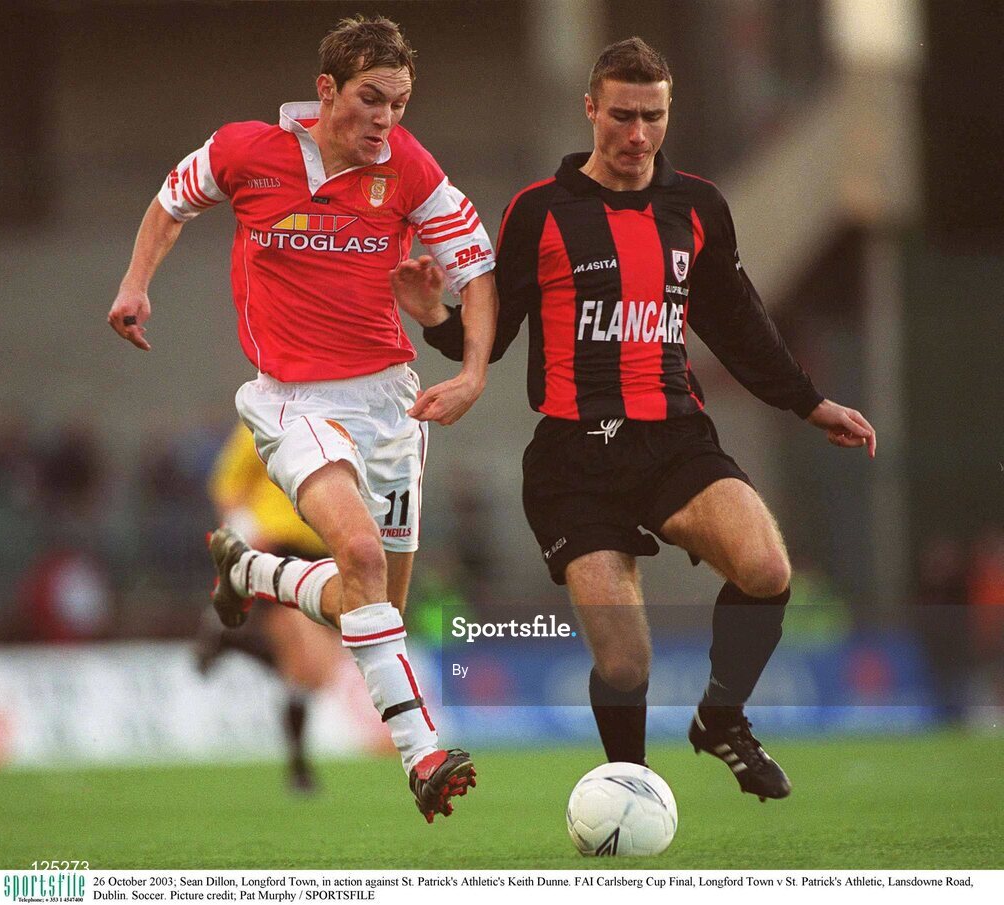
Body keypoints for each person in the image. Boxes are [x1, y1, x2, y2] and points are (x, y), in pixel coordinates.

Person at [399, 37, 876, 801]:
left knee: (767, 570)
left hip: (673, 438)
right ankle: (634, 792)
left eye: (653, 117)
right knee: (624, 662)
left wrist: (809, 402)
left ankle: (722, 718)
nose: (637, 135)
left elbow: (737, 320)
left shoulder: (698, 207)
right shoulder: (538, 211)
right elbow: (497, 325)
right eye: (621, 115)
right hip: (573, 461)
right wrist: (436, 319)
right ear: (590, 109)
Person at [108, 15, 496, 822]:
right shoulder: (246, 152)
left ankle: (254, 573)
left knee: (374, 604)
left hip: (390, 399)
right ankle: (422, 753)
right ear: (326, 91)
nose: (386, 118)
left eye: (399, 102)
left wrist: (472, 371)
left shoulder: (410, 167)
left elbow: (477, 265)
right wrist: (135, 283)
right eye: (371, 99)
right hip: (293, 398)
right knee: (354, 550)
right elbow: (170, 202)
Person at [199, 422, 347, 794]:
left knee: (315, 672)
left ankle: (232, 642)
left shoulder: (340, 419)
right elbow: (227, 485)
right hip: (280, 544)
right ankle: (299, 766)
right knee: (304, 661)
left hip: (328, 548)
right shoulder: (261, 422)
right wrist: (249, 530)